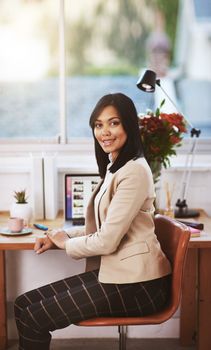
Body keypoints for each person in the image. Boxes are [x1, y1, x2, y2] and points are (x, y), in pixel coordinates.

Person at [14, 93, 171, 350]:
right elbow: (103, 227)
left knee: (34, 317)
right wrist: (60, 237)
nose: (104, 132)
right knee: (22, 305)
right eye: (98, 125)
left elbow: (107, 240)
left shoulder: (134, 171)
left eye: (114, 123)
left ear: (129, 125)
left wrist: (66, 244)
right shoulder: (116, 167)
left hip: (140, 285)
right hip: (119, 276)